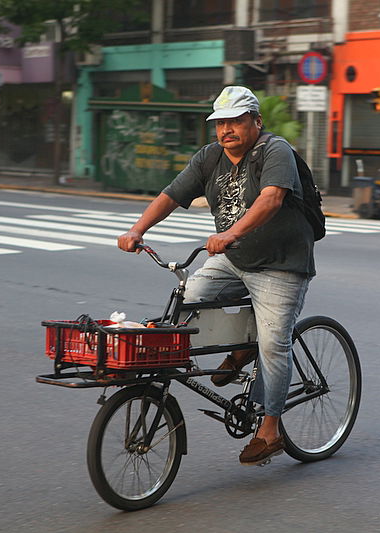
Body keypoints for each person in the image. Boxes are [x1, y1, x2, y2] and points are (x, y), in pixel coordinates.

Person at [117, 86, 315, 466]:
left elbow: (272, 198)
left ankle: (270, 430)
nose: (227, 129)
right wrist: (137, 230)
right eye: (221, 122)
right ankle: (240, 349)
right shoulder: (210, 157)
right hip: (234, 259)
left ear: (256, 122)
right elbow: (171, 195)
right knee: (189, 300)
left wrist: (231, 233)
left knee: (274, 343)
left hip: (281, 263)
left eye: (236, 121)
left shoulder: (276, 151)